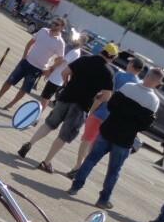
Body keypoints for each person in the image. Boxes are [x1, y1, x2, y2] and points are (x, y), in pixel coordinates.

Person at [69, 67, 164, 209]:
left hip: (108, 130)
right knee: (113, 171)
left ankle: (75, 186)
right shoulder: (153, 101)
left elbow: (111, 106)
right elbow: (144, 125)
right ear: (158, 83)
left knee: (91, 159)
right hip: (125, 139)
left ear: (147, 76)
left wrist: (122, 113)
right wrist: (133, 120)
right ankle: (103, 199)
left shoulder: (128, 87)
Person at [17, 43, 117, 173]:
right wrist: (96, 97)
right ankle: (46, 161)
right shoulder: (108, 72)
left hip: (66, 96)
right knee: (64, 135)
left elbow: (65, 72)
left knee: (49, 124)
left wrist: (66, 84)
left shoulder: (84, 59)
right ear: (112, 57)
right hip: (82, 105)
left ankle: (30, 143)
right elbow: (107, 96)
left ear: (102, 51)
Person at [67, 57, 144, 178]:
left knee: (86, 140)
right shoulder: (139, 85)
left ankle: (77, 166)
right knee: (96, 145)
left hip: (102, 112)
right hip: (115, 120)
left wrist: (92, 110)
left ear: (132, 65)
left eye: (129, 62)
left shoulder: (119, 76)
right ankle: (83, 170)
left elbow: (104, 95)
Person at [0, 17, 66, 110]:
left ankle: (10, 105)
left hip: (37, 69)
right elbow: (30, 43)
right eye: (53, 22)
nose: (53, 24)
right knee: (10, 81)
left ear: (62, 27)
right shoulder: (43, 31)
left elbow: (61, 59)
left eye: (57, 24)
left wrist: (50, 68)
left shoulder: (60, 42)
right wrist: (24, 56)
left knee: (24, 89)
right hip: (26, 62)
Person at [39, 36, 83, 103]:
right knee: (45, 97)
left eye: (78, 39)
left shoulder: (74, 52)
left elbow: (61, 61)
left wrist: (50, 69)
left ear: (81, 42)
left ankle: (40, 111)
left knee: (45, 98)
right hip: (56, 77)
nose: (75, 40)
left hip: (56, 78)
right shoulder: (76, 51)